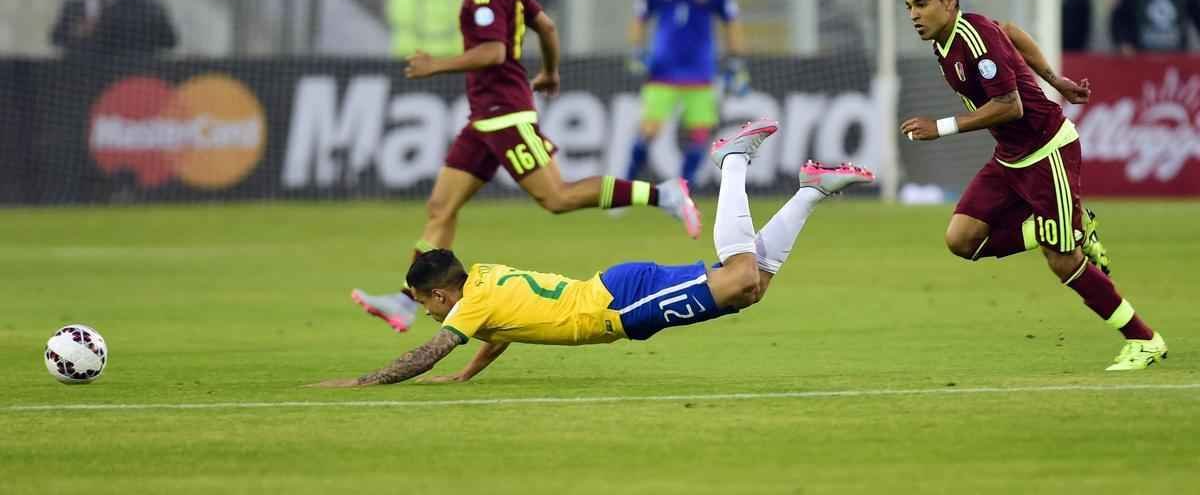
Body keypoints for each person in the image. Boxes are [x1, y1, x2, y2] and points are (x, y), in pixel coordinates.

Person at [310, 120, 875, 387]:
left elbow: (424, 354)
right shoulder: (482, 282)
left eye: (424, 305)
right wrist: (467, 376)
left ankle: (731, 160)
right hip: (619, 292)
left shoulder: (467, 308)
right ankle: (809, 190)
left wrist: (362, 383)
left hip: (619, 305)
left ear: (439, 294)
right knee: (751, 289)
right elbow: (503, 332)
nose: (428, 315)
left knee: (739, 274)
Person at [352, 0, 702, 334]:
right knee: (441, 208)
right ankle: (407, 300)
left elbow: (494, 52)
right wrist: (551, 70)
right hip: (484, 118)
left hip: (505, 114)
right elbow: (546, 25)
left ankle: (664, 195)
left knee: (557, 197)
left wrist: (435, 64)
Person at [900, 0, 1167, 371]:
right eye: (909, 7)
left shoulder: (973, 38)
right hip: (1010, 157)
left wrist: (942, 126)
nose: (914, 15)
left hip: (1047, 153)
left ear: (949, 2)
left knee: (1062, 260)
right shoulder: (946, 41)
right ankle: (1073, 225)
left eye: (922, 4)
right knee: (961, 239)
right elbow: (1012, 31)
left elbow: (1011, 106)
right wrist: (1056, 80)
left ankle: (1143, 339)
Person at [625, 0, 748, 193]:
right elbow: (639, 18)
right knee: (649, 129)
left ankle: (680, 192)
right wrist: (636, 50)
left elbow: (732, 22)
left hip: (701, 71)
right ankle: (627, 186)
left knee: (701, 134)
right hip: (663, 70)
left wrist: (736, 61)